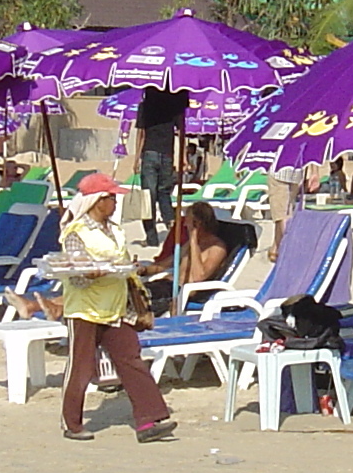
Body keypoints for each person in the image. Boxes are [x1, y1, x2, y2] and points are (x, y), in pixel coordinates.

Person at [56, 170, 175, 443]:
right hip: (85, 309)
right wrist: (93, 273)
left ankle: (148, 420)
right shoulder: (77, 233)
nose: (115, 204)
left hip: (116, 307)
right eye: (112, 198)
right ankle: (72, 423)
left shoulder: (116, 232)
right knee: (81, 367)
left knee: (131, 360)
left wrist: (134, 270)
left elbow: (121, 265)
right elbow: (75, 273)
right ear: (99, 201)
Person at [147, 200, 234, 310]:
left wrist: (193, 239)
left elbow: (198, 277)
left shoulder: (216, 248)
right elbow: (167, 264)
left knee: (138, 300)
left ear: (197, 223)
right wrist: (144, 270)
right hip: (167, 285)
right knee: (132, 292)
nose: (184, 224)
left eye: (187, 221)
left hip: (181, 293)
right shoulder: (191, 244)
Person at [135, 87, 186, 237]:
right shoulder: (174, 104)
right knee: (164, 193)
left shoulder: (145, 106)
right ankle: (171, 228)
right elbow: (180, 132)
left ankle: (151, 237)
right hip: (167, 154)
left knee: (148, 195)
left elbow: (141, 134)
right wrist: (182, 158)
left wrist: (136, 158)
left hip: (149, 152)